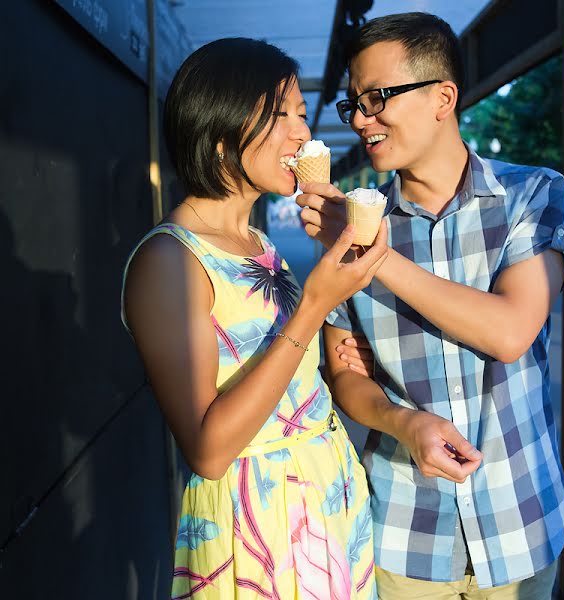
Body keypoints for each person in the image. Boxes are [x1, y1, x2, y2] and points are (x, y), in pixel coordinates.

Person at [297, 13, 564, 599]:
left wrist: (374, 252)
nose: (362, 121)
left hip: (518, 519)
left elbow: (510, 331)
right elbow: (347, 374)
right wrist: (405, 420)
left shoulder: (532, 194)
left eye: (378, 99)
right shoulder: (349, 223)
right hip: (403, 532)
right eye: (354, 105)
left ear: (443, 97)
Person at [121, 37, 386, 599]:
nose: (301, 132)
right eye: (280, 114)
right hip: (258, 519)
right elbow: (209, 450)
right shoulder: (169, 259)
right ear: (221, 130)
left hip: (326, 492)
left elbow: (277, 363)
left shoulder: (257, 240)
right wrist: (312, 306)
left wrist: (331, 351)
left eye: (299, 113)